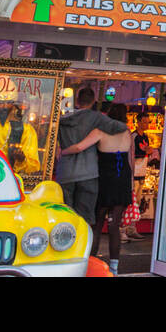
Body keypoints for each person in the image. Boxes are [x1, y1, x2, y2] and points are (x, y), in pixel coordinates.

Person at [60, 102, 136, 275]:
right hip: (122, 179)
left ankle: (89, 263)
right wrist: (130, 185)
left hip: (104, 180)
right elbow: (130, 160)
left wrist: (63, 152)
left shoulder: (100, 130)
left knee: (96, 224)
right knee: (114, 226)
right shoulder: (127, 132)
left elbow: (80, 147)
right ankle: (115, 268)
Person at [55, 86, 128, 253]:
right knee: (86, 217)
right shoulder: (96, 118)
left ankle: (63, 251)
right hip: (88, 174)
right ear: (93, 101)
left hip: (65, 173)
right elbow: (120, 127)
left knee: (65, 214)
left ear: (78, 101)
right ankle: (79, 252)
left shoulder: (62, 118)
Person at [127, 113, 151, 239]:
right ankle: (128, 227)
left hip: (142, 171)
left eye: (148, 122)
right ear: (139, 122)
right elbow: (132, 153)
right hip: (134, 172)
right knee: (132, 201)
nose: (146, 124)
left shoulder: (145, 136)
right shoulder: (134, 136)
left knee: (137, 200)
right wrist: (145, 151)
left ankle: (132, 227)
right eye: (145, 121)